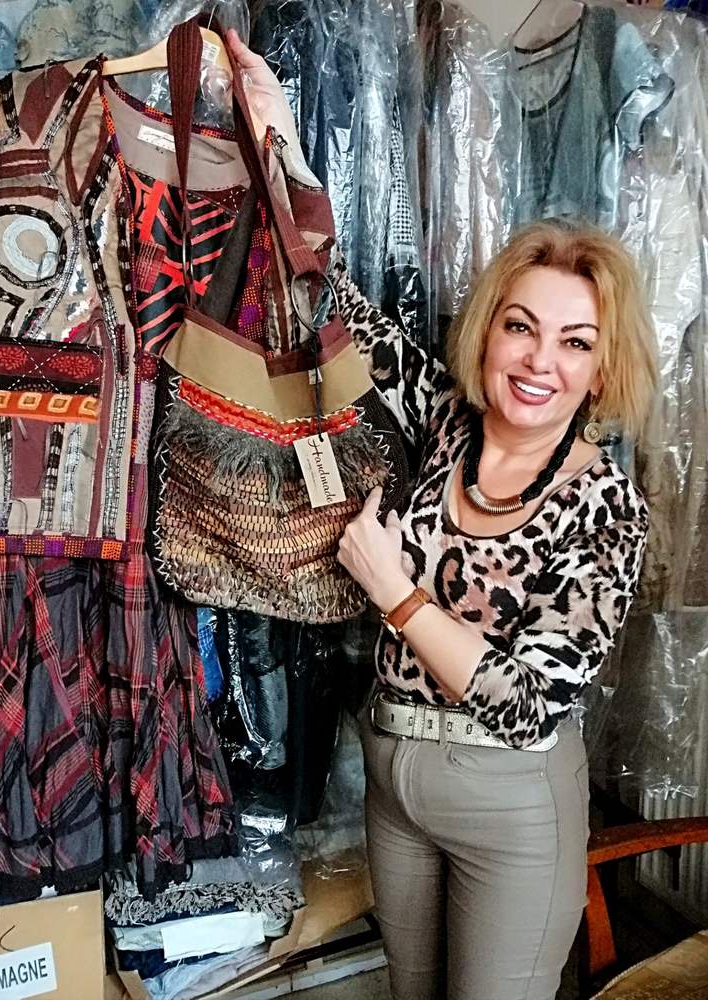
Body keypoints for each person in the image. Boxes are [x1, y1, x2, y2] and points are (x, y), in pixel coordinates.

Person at [227, 29, 658, 1000]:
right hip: (394, 782)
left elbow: (527, 701)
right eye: (520, 325)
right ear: (488, 330)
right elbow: (329, 299)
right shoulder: (444, 416)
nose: (539, 360)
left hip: (510, 805)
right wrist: (279, 142)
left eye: (574, 342)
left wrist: (396, 591)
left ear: (601, 368)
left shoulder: (604, 506)